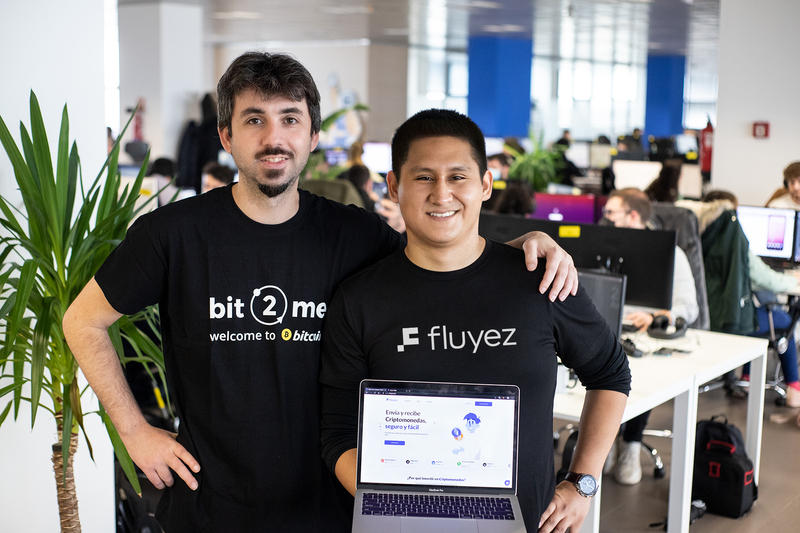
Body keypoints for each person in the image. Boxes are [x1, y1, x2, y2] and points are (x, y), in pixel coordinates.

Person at [62, 52, 579, 532]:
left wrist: (523, 248)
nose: (274, 138)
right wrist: (134, 431)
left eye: (290, 119)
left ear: (312, 136)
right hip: (211, 507)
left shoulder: (356, 234)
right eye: (254, 119)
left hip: (335, 506)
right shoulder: (172, 234)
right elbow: (82, 321)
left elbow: (442, 259)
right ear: (225, 135)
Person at [319, 109, 630, 532]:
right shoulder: (359, 299)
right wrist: (400, 505)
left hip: (526, 524)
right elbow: (338, 435)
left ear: (485, 185)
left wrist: (582, 482)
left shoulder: (540, 279)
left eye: (458, 176)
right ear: (394, 186)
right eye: (423, 177)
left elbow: (610, 372)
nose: (441, 194)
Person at [602, 187, 698, 485]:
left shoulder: (671, 254)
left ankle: (631, 443)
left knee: (637, 374)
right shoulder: (602, 246)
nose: (605, 219)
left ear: (632, 216)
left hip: (646, 337)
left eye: (611, 213)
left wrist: (655, 317)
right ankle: (601, 438)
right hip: (605, 330)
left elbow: (689, 307)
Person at [701, 190, 800, 408]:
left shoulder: (698, 237)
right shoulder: (733, 241)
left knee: (753, 309)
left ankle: (746, 378)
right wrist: (794, 280)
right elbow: (769, 280)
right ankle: (794, 388)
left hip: (705, 317)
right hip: (730, 320)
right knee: (783, 319)